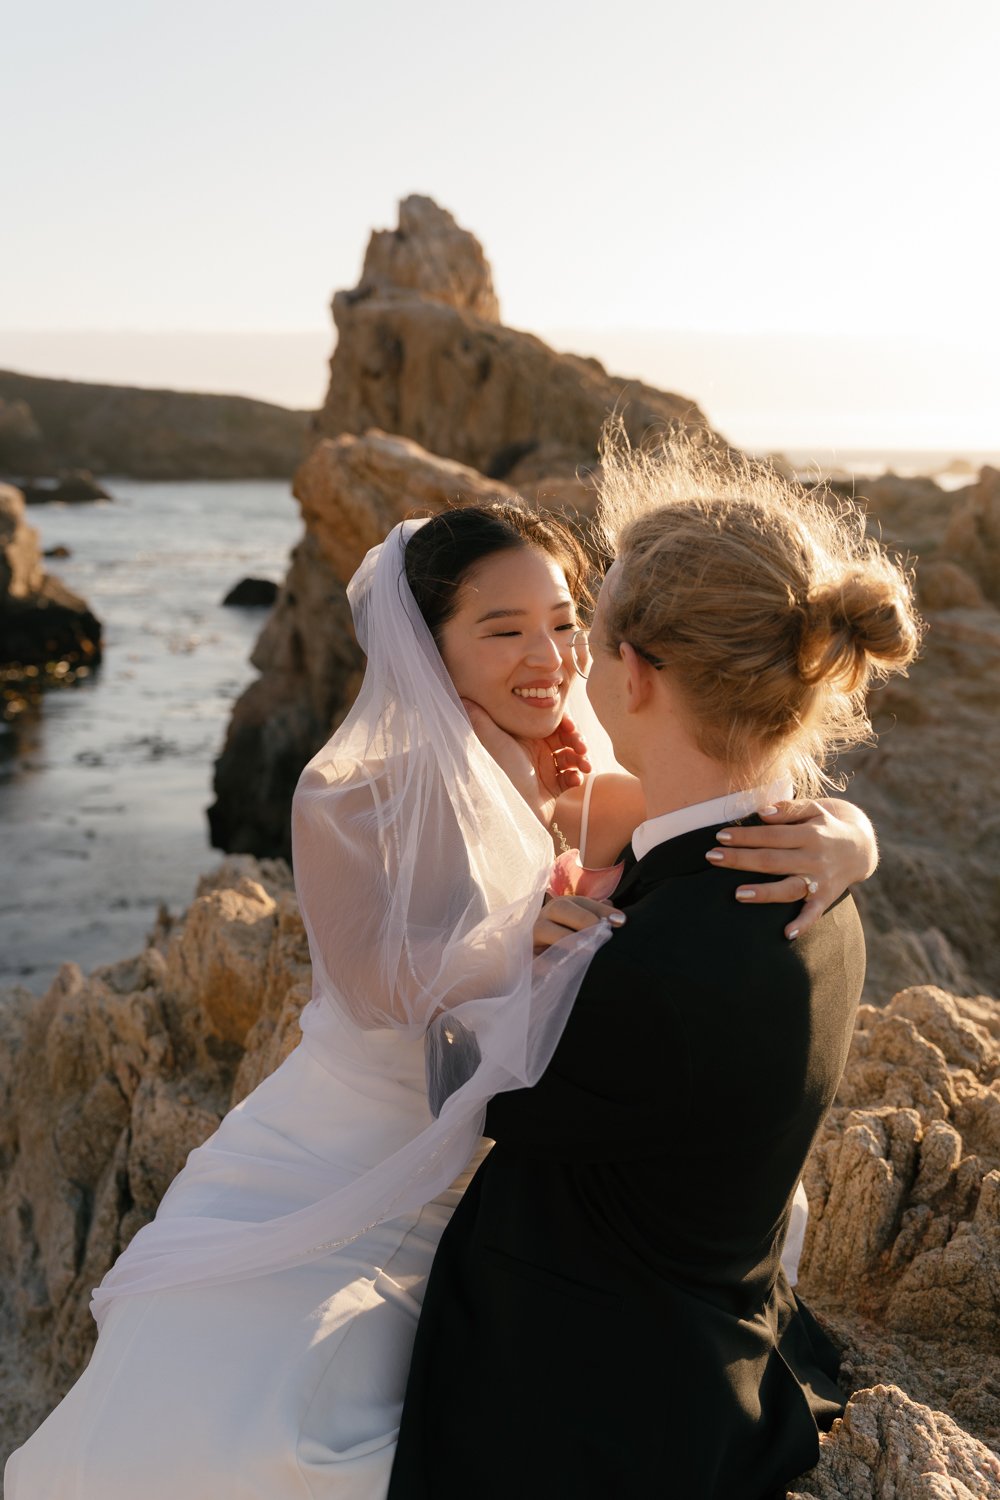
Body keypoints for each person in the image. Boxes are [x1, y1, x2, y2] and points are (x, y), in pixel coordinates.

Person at [5, 500, 878, 1500]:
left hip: (495, 1151)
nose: (546, 656)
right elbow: (370, 978)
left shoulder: (576, 783)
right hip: (349, 1130)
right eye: (501, 631)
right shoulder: (349, 793)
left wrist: (850, 835)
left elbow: (730, 812)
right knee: (225, 1401)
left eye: (562, 622)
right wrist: (508, 947)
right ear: (427, 648)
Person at [388, 440, 920, 1500]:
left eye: (585, 632)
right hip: (712, 1317)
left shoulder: (654, 965)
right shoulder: (812, 884)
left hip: (586, 1401)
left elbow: (471, 1093)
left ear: (629, 671)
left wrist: (500, 967)